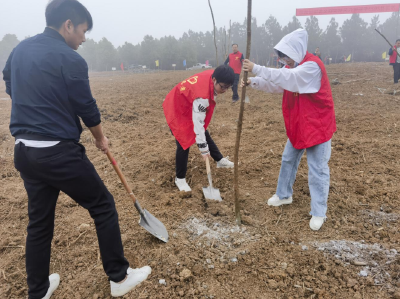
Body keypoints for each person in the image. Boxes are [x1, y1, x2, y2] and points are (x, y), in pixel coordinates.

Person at [2, 1, 151, 298]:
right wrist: (100, 138)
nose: (84, 38)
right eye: (83, 31)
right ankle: (119, 278)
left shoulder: (20, 50)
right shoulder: (69, 58)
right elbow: (86, 107)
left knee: (39, 222)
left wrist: (35, 99)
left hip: (25, 153)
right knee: (103, 206)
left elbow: (9, 81)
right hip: (57, 153)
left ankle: (38, 289)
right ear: (68, 25)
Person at [242, 29, 336, 231]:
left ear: (297, 51)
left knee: (317, 169)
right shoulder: (293, 67)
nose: (285, 60)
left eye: (288, 56)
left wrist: (256, 68)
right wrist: (253, 81)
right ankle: (284, 194)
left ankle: (319, 211)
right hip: (299, 124)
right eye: (283, 57)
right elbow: (279, 83)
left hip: (317, 125)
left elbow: (289, 78)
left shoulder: (312, 66)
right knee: (288, 159)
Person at [163, 65, 235, 192]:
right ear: (214, 80)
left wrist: (204, 145)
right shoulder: (202, 97)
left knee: (202, 133)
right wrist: (203, 149)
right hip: (177, 107)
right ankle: (180, 178)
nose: (224, 90)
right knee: (183, 142)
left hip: (188, 101)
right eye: (222, 87)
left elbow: (200, 127)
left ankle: (219, 159)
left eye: (228, 87)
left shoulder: (215, 75)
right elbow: (198, 122)